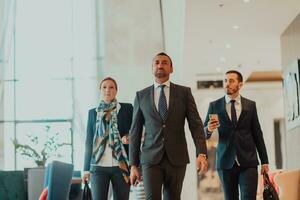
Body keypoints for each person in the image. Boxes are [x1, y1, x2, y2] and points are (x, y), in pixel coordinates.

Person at [129, 52, 208, 200]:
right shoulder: (141, 95)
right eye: (157, 62)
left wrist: (201, 153)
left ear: (171, 69)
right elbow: (135, 132)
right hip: (150, 159)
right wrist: (133, 164)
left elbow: (196, 125)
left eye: (165, 62)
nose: (160, 65)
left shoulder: (184, 93)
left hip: (177, 158)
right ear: (152, 68)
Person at [204, 70, 269, 200]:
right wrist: (209, 129)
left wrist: (264, 161)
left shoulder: (250, 105)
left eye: (231, 81)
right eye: (225, 80)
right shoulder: (214, 105)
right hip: (225, 162)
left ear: (240, 84)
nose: (227, 84)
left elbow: (257, 134)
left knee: (248, 197)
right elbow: (203, 133)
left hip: (248, 161)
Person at [83, 77, 133, 200]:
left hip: (121, 165)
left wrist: (129, 137)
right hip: (98, 166)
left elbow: (136, 131)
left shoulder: (127, 109)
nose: (107, 90)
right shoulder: (92, 113)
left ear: (116, 90)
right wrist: (85, 169)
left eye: (111, 87)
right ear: (100, 90)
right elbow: (89, 141)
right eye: (104, 87)